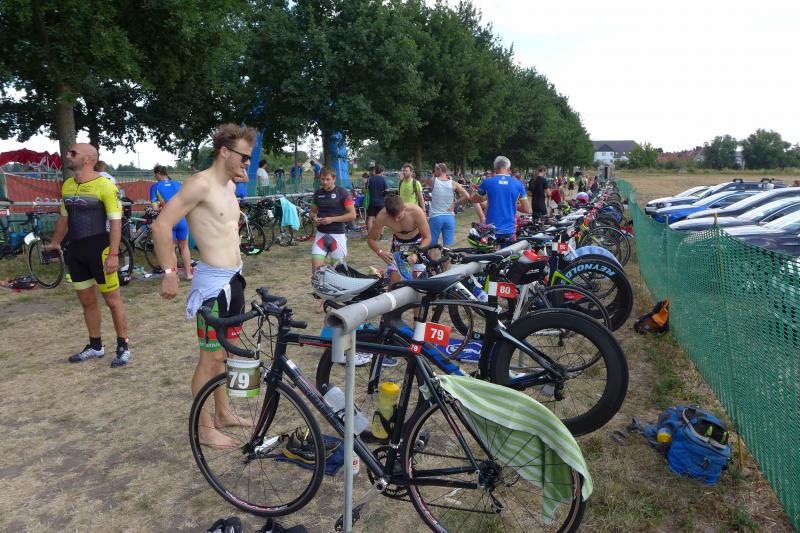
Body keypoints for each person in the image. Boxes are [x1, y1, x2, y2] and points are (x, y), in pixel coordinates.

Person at [153, 123, 257, 449]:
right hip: (212, 287)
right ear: (224, 151)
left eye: (250, 158)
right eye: (244, 157)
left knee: (225, 354)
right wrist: (170, 271)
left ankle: (224, 413)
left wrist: (239, 176)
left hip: (234, 280)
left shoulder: (229, 185)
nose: (248, 163)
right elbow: (162, 225)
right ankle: (205, 427)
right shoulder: (199, 184)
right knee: (209, 359)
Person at [45, 143, 130, 367]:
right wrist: (55, 242)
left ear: (88, 159)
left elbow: (115, 222)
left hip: (100, 250)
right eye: (69, 152)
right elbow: (64, 217)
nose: (67, 155)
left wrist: (114, 254)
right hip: (76, 251)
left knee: (112, 300)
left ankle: (123, 346)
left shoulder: (105, 185)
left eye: (73, 153)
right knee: (87, 301)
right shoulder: (67, 185)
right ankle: (95, 346)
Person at [367, 193, 431, 281]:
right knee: (394, 279)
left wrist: (417, 254)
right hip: (398, 243)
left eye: (399, 216)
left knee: (419, 278)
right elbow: (371, 239)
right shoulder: (382, 216)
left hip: (418, 243)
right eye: (392, 218)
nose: (396, 220)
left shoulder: (416, 211)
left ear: (404, 208)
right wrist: (380, 252)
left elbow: (427, 237)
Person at [471, 155, 531, 242]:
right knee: (507, 251)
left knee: (492, 251)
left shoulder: (487, 182)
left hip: (491, 230)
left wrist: (489, 197)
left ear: (495, 169)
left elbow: (474, 200)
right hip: (509, 230)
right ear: (509, 169)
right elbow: (526, 209)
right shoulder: (518, 184)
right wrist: (511, 204)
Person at [150, 165, 193, 279]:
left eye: (155, 175)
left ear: (158, 174)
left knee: (171, 249)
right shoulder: (177, 184)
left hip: (168, 221)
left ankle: (176, 276)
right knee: (184, 247)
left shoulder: (155, 187)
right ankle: (189, 274)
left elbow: (155, 208)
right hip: (182, 219)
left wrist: (160, 208)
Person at [310, 167, 356, 273]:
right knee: (316, 271)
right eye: (322, 179)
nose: (324, 182)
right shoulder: (317, 193)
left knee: (337, 272)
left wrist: (332, 219)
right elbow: (312, 212)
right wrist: (314, 218)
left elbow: (352, 215)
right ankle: (319, 284)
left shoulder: (343, 193)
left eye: (327, 179)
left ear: (334, 179)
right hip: (321, 234)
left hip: (338, 235)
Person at [426, 163, 469, 246]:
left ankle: (433, 255)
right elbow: (467, 195)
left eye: (435, 170)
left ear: (439, 170)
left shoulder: (433, 181)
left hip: (436, 217)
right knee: (448, 248)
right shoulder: (454, 183)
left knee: (432, 246)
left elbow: (424, 180)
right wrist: (455, 204)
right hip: (449, 217)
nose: (434, 171)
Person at [365, 164, 388, 236]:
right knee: (381, 219)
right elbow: (387, 191)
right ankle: (381, 235)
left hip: (371, 202)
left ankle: (370, 234)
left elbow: (366, 189)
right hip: (381, 202)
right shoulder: (383, 179)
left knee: (370, 218)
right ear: (381, 171)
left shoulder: (370, 179)